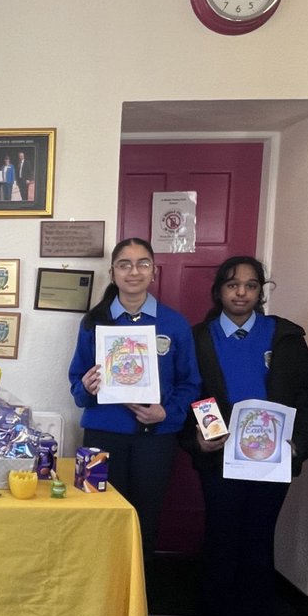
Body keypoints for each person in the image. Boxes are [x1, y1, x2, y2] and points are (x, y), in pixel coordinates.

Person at [179, 257, 308, 616]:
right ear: (218, 290)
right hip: (220, 458)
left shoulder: (286, 336)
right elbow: (187, 394)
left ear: (261, 292)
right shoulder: (198, 338)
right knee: (224, 535)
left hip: (273, 459)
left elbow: (307, 397)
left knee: (258, 537)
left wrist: (300, 445)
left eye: (251, 285)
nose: (241, 292)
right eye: (232, 285)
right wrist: (196, 439)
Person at [68, 237, 201, 559]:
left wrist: (166, 414)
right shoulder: (94, 323)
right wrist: (87, 387)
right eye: (124, 264)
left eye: (142, 264)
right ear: (113, 273)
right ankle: (99, 601)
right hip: (102, 435)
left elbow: (190, 383)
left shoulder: (174, 324)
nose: (134, 271)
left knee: (145, 519)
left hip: (155, 438)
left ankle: (138, 603)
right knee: (97, 515)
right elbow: (76, 385)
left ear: (154, 272)